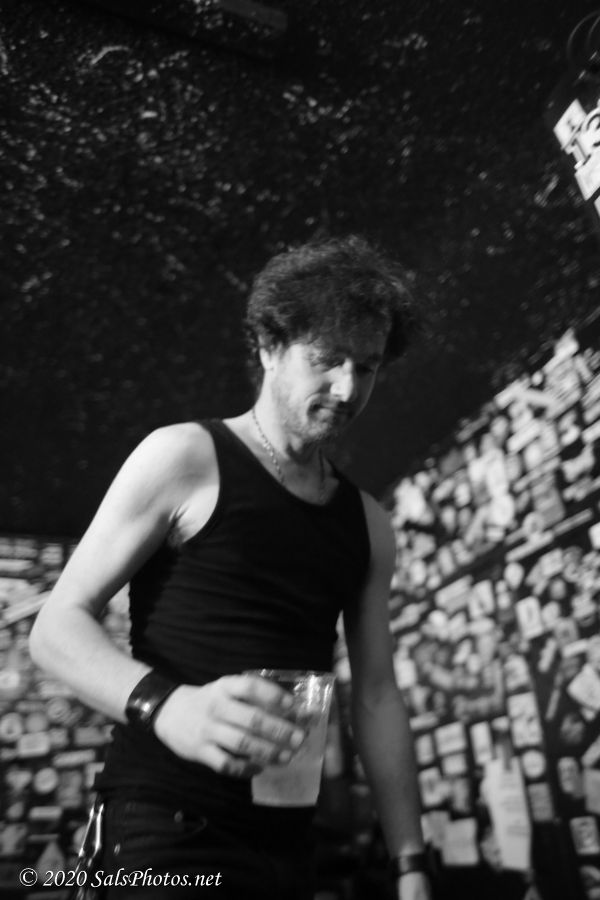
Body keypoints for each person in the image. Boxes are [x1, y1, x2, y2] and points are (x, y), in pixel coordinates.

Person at [30, 235, 431, 900]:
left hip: (287, 848)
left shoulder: (369, 524)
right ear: (270, 346)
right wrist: (170, 707)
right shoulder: (183, 456)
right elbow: (55, 628)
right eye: (327, 359)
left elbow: (377, 695)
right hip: (161, 827)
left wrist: (411, 862)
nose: (347, 387)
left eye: (366, 367)